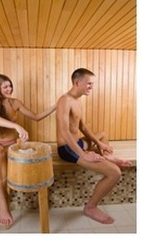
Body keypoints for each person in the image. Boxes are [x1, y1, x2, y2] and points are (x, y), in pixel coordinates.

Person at [55, 68, 132, 224]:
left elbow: (83, 127)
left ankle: (107, 156)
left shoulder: (77, 100)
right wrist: (84, 154)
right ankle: (90, 207)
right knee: (115, 173)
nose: (92, 87)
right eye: (89, 84)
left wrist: (99, 143)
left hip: (78, 143)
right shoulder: (65, 100)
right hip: (68, 148)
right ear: (77, 82)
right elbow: (64, 132)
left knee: (102, 135)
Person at [0, 74, 56, 227]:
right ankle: (3, 206)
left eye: (10, 85)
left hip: (10, 146)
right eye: (5, 87)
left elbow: (36, 117)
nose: (9, 89)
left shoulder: (15, 103)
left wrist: (56, 106)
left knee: (1, 164)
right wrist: (16, 126)